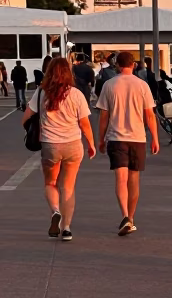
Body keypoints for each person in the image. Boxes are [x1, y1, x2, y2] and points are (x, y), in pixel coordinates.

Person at [21, 57, 96, 241]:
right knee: (68, 187)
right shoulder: (76, 94)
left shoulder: (41, 93)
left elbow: (25, 120)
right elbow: (85, 123)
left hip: (50, 145)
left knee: (50, 183)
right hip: (73, 145)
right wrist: (92, 144)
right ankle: (67, 229)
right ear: (68, 73)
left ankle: (55, 211)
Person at [95, 50, 159, 236]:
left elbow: (103, 116)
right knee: (134, 180)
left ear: (117, 65)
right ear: (133, 65)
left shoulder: (109, 85)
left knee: (120, 179)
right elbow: (150, 115)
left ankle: (124, 215)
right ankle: (131, 218)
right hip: (137, 138)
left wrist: (101, 139)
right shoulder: (142, 85)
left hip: (116, 138)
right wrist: (154, 138)